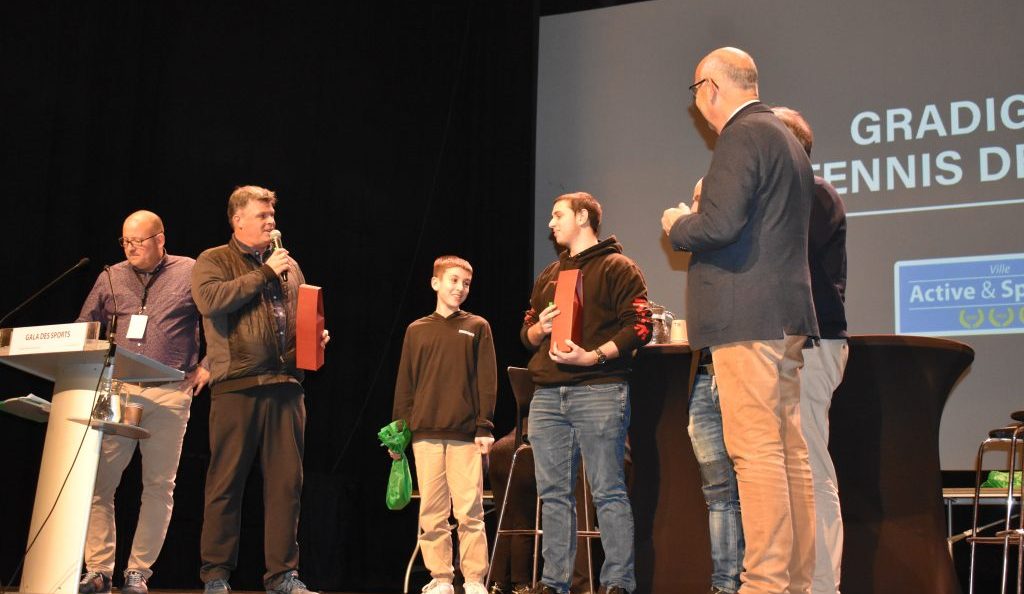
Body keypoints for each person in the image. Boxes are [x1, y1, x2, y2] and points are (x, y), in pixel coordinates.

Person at [662, 47, 819, 594]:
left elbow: (719, 224)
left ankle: (764, 584)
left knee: (755, 457)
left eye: (694, 91)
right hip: (782, 319)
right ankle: (796, 581)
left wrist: (678, 223)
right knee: (788, 456)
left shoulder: (742, 134)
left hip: (746, 321)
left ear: (709, 87)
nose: (698, 102)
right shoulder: (785, 140)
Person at [192, 185, 329, 594]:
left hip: (287, 387)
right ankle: (215, 574)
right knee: (226, 484)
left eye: (273, 217)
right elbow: (210, 301)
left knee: (287, 485)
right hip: (237, 386)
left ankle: (282, 575)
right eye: (262, 216)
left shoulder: (291, 265)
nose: (271, 223)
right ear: (238, 219)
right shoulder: (213, 260)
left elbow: (297, 316)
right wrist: (265, 272)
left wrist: (314, 340)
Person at [522, 192, 652, 594]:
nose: (550, 223)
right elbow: (526, 333)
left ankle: (617, 583)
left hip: (599, 388)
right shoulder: (549, 274)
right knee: (554, 494)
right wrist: (538, 330)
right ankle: (553, 582)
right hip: (546, 395)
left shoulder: (619, 267)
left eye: (558, 215)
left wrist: (594, 357)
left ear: (583, 217)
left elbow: (641, 328)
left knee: (607, 489)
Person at [76, 210, 208, 594]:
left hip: (170, 390)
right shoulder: (110, 276)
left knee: (158, 485)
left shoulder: (189, 270)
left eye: (139, 241)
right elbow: (87, 326)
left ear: (160, 239)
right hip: (120, 389)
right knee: (100, 482)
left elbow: (218, 321)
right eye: (126, 242)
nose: (131, 248)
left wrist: (208, 366)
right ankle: (98, 569)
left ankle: (138, 572)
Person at [772, 106, 849, 594]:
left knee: (811, 467)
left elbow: (785, 253)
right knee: (785, 471)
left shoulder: (816, 195)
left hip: (815, 344)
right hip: (786, 345)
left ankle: (822, 586)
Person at [389, 255, 497, 594]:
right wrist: (398, 434)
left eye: (465, 283)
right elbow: (405, 384)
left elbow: (487, 380)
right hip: (424, 435)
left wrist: (484, 426)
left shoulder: (477, 326)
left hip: (465, 434)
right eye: (452, 280)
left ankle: (475, 578)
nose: (459, 288)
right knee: (432, 510)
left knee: (470, 510)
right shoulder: (416, 330)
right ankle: (441, 578)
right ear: (435, 283)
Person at [682, 180, 744, 594]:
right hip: (704, 376)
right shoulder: (703, 256)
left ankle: (757, 580)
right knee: (718, 491)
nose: (693, 207)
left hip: (740, 371)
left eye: (700, 200)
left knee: (754, 483)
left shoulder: (740, 244)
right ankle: (724, 585)